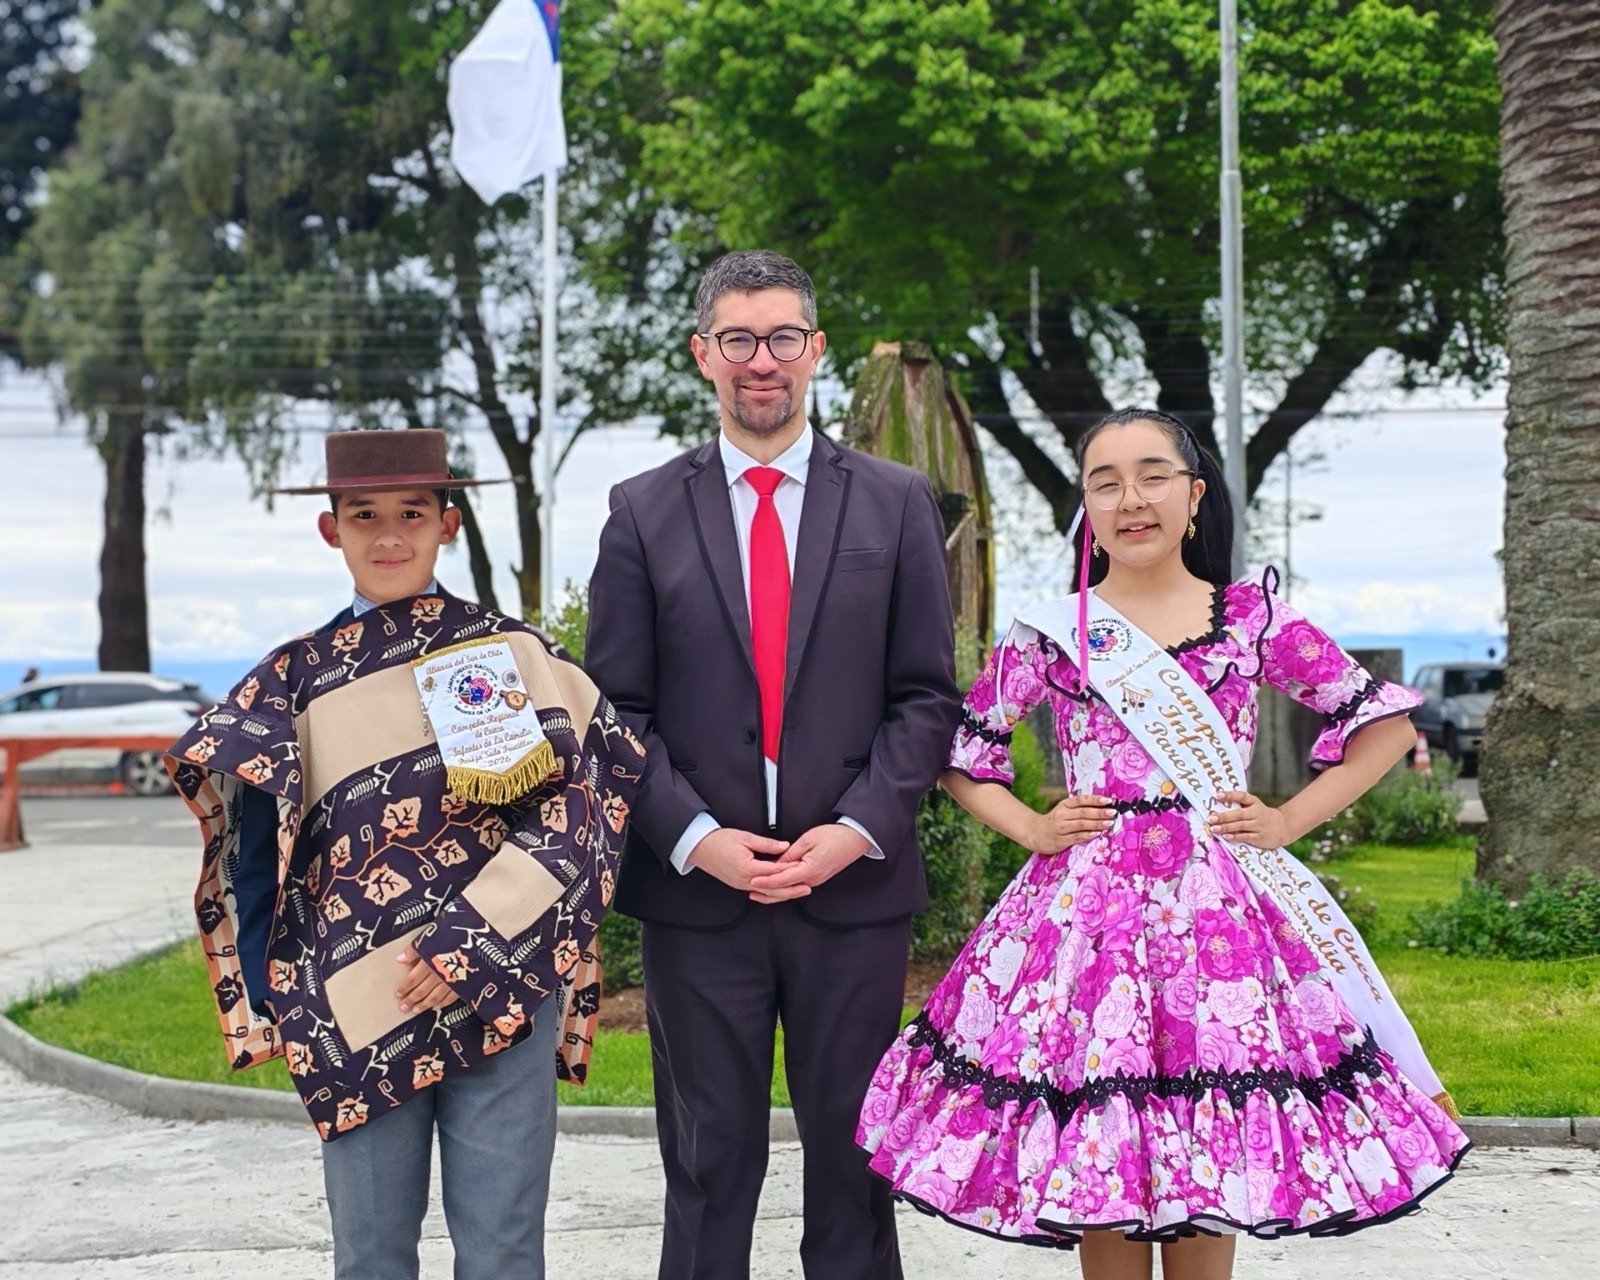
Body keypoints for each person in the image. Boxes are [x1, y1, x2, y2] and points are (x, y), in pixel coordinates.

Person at [858, 408, 1470, 1279]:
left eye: (1152, 475)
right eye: (1104, 482)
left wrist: (1290, 819)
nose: (1129, 497)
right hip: (1086, 920)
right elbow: (959, 751)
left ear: (1194, 495)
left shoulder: (1251, 618)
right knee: (1102, 1134)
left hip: (1218, 913)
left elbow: (1376, 723)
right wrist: (1032, 827)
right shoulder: (1054, 632)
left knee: (1209, 1117)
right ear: (1086, 509)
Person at [164, 428, 645, 1280]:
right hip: (353, 1004)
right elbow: (250, 847)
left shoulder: (501, 658)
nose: (389, 537)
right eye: (364, 515)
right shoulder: (294, 680)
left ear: (448, 524)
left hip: (501, 986)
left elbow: (580, 810)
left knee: (501, 1254)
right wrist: (274, 986)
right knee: (372, 1259)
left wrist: (472, 938)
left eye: (412, 514)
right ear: (331, 530)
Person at [585, 249, 962, 1279]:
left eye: (783, 337)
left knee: (856, 1163)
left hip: (852, 891)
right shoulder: (641, 511)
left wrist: (853, 829)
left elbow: (927, 696)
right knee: (708, 1165)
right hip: (699, 897)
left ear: (816, 349)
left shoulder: (893, 503)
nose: (764, 361)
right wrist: (696, 840)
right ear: (704, 353)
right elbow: (611, 709)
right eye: (740, 339)